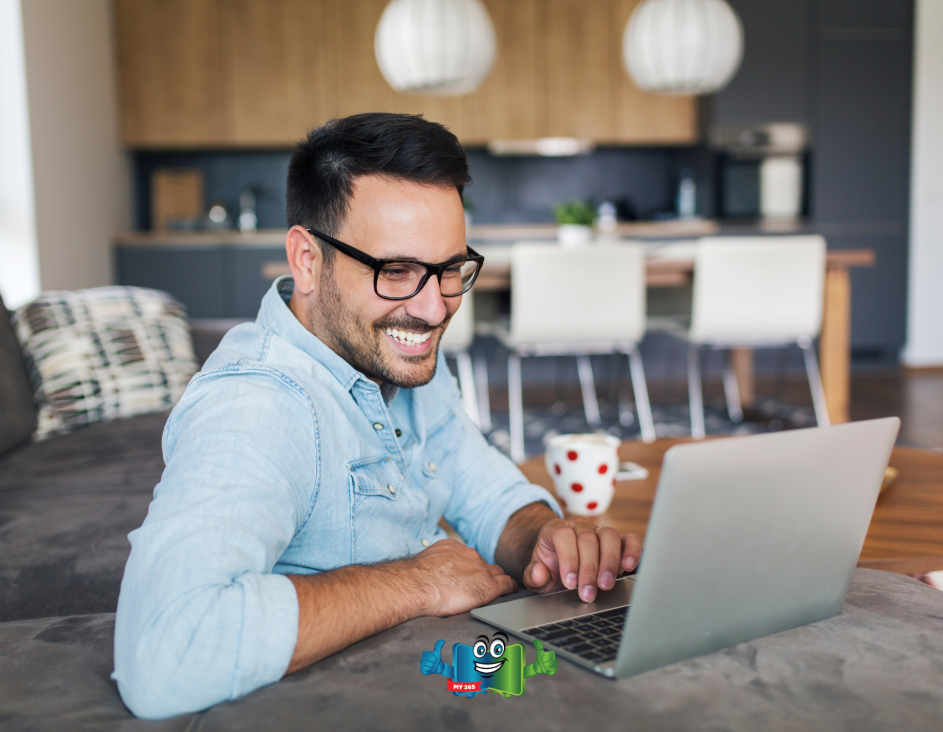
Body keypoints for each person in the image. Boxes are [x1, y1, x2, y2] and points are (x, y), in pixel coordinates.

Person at [113, 113, 642, 719]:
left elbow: (479, 484)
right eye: (396, 272)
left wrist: (547, 540)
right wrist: (417, 581)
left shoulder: (394, 354)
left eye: (449, 270)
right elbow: (166, 652)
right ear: (308, 260)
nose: (433, 307)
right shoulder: (259, 406)